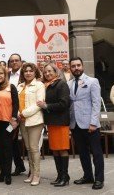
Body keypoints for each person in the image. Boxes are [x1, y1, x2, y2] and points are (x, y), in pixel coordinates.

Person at [68, 57, 104, 190]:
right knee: (82, 153)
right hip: (75, 124)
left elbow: (96, 103)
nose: (76, 68)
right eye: (73, 66)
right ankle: (88, 176)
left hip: (90, 124)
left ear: (82, 66)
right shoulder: (69, 83)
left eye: (78, 65)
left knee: (96, 153)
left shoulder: (93, 81)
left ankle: (99, 179)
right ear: (70, 68)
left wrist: (93, 122)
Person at [37, 63, 70, 187]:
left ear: (56, 72)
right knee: (55, 150)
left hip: (61, 122)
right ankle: (60, 175)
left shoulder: (61, 84)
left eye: (50, 71)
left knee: (62, 149)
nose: (47, 74)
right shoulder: (47, 85)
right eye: (45, 72)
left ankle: (65, 176)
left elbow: (64, 104)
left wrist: (47, 106)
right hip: (52, 122)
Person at [17, 63, 45, 186]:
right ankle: (31, 173)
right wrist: (18, 113)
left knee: (34, 148)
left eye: (30, 71)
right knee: (28, 148)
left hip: (35, 121)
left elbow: (39, 104)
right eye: (25, 71)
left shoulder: (39, 85)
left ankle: (37, 175)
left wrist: (23, 113)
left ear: (35, 72)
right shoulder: (20, 86)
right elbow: (15, 102)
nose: (28, 73)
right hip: (22, 121)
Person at [8, 53, 26, 176]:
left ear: (20, 62)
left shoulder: (26, 75)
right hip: (12, 115)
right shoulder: (7, 75)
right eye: (12, 61)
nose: (14, 62)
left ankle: (33, 170)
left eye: (16, 60)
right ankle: (19, 166)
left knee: (29, 142)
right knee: (11, 139)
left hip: (25, 115)